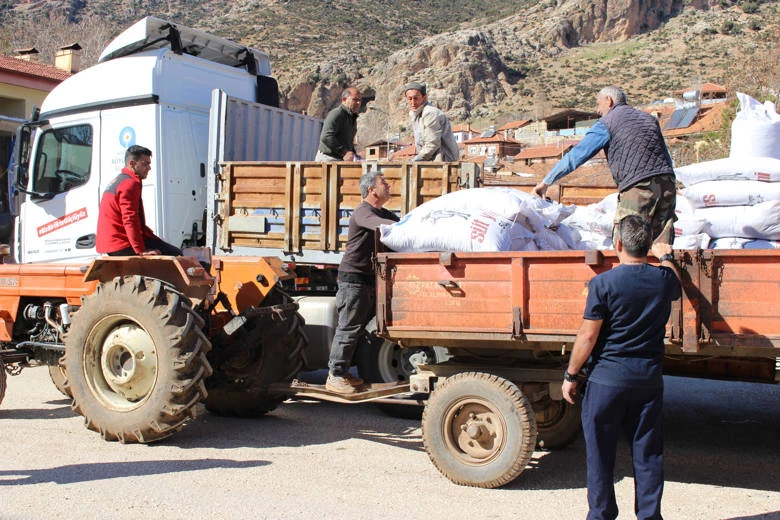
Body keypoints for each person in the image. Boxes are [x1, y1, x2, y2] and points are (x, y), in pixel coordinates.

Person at [562, 214, 682, 520]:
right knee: (648, 455)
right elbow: (674, 279)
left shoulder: (603, 283)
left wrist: (571, 375)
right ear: (647, 246)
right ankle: (649, 516)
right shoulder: (663, 281)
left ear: (618, 245)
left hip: (606, 382)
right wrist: (665, 254)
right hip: (647, 383)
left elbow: (588, 335)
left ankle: (601, 515)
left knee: (600, 456)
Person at [532, 86, 677, 245]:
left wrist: (546, 181)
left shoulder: (607, 122)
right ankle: (666, 268)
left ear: (609, 100)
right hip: (667, 184)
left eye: (598, 104)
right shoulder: (649, 119)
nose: (598, 110)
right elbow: (665, 154)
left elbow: (577, 155)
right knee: (663, 246)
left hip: (639, 187)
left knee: (629, 243)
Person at [326, 171, 399, 394]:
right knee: (349, 328)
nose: (389, 185)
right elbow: (384, 227)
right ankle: (335, 376)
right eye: (384, 183)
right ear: (371, 189)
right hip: (353, 279)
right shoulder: (363, 213)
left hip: (369, 279)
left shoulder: (382, 212)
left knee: (362, 330)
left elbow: (399, 222)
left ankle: (345, 372)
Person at [96, 145, 182, 256]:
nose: (149, 168)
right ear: (132, 164)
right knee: (177, 255)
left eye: (149, 164)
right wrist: (140, 250)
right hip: (122, 244)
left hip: (110, 245)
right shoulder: (130, 183)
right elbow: (130, 219)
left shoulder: (118, 180)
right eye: (145, 164)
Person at [404, 81, 459, 162]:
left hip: (443, 161)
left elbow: (432, 144)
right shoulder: (416, 114)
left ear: (424, 98)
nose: (413, 102)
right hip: (431, 160)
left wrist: (415, 160)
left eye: (416, 98)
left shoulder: (429, 113)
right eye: (410, 99)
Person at [315, 87, 363, 162]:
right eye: (355, 99)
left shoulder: (352, 117)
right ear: (344, 100)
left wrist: (353, 154)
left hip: (340, 159)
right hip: (328, 159)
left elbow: (347, 142)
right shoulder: (336, 114)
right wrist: (344, 152)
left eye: (359, 100)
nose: (358, 103)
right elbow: (326, 137)